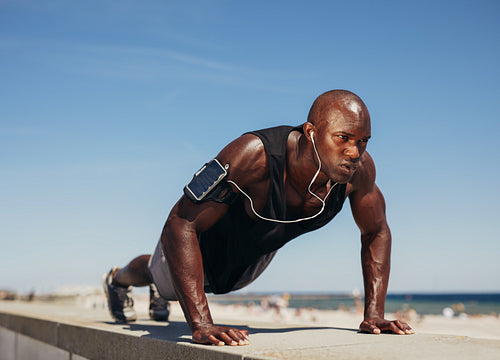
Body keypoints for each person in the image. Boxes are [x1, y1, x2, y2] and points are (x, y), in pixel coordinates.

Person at [102, 89, 414, 346]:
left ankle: (162, 287)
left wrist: (374, 314)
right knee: (160, 277)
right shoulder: (253, 155)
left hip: (250, 262)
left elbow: (376, 231)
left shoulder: (359, 174)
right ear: (311, 133)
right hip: (197, 247)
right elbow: (181, 222)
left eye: (362, 142)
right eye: (343, 138)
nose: (353, 152)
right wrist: (201, 324)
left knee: (204, 283)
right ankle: (117, 280)